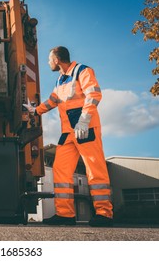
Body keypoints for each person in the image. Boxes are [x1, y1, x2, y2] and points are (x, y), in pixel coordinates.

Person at [23, 46, 113, 227]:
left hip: (86, 129)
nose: (48, 62)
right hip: (69, 133)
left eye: (49, 59)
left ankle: (104, 213)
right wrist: (35, 111)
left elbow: (94, 94)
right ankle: (65, 214)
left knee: (95, 170)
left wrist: (84, 120)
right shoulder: (60, 81)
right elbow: (53, 101)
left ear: (56, 60)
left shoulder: (83, 71)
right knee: (60, 169)